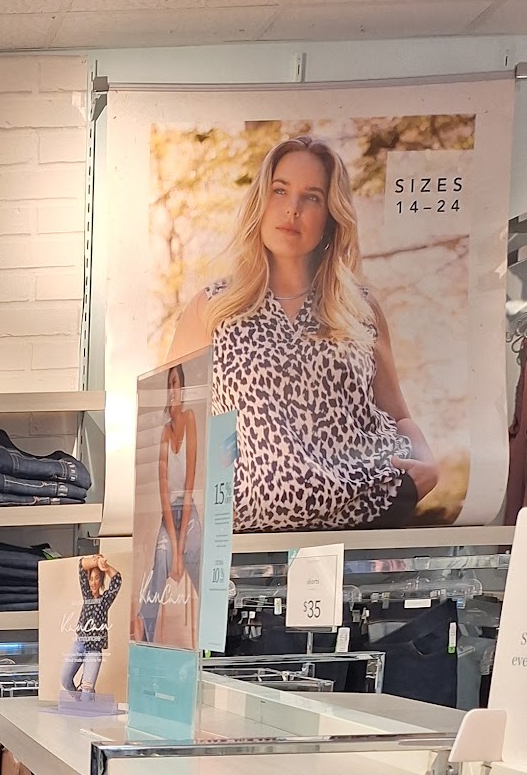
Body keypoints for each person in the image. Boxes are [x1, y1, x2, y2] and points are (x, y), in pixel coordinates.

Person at [169, 133, 437, 533]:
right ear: (261, 200)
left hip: (363, 517)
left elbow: (398, 414)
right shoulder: (213, 308)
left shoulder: (359, 307)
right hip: (242, 533)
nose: (292, 208)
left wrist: (426, 463)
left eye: (312, 197)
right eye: (280, 190)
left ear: (331, 214)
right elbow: (170, 425)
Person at [140, 364, 201, 646]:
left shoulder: (190, 419)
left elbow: (188, 487)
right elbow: (163, 493)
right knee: (160, 562)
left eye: (176, 383)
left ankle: (212, 637)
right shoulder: (165, 432)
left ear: (183, 388)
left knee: (196, 558)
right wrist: (174, 550)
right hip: (169, 515)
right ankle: (145, 639)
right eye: (169, 384)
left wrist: (182, 547)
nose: (172, 389)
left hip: (188, 511)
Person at [61, 554, 121, 699]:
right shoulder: (86, 595)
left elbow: (117, 579)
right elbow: (81, 565)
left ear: (101, 581)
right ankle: (80, 700)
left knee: (87, 692)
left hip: (94, 650)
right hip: (79, 643)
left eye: (97, 578)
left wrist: (105, 567)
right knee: (65, 680)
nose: (93, 583)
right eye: (91, 579)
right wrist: (96, 561)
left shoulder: (105, 600)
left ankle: (86, 700)